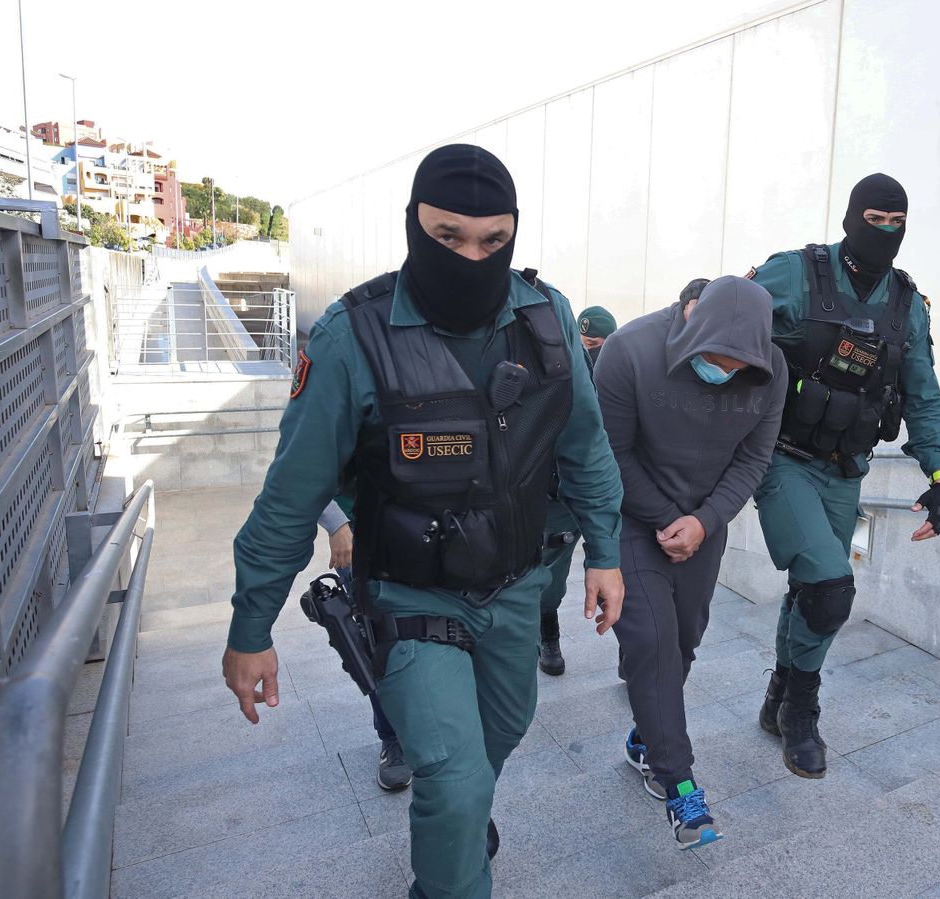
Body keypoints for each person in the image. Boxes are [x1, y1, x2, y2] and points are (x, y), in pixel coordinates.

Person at [221, 144, 626, 899]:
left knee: (499, 735)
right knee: (455, 772)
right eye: (448, 238)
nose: (472, 257)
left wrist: (606, 549)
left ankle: (460, 827)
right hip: (409, 595)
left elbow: (586, 442)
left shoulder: (548, 319)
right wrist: (251, 627)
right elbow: (290, 496)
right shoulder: (353, 336)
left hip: (512, 585)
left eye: (492, 242)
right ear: (413, 225)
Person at [746, 173, 940, 779]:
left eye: (898, 221)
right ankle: (801, 713)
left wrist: (939, 474)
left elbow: (923, 394)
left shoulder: (907, 306)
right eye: (875, 219)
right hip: (782, 456)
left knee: (812, 589)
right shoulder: (795, 272)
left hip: (845, 471)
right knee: (832, 585)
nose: (886, 231)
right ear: (850, 218)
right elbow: (729, 326)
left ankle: (779, 693)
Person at [596, 275, 786, 848]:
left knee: (683, 642)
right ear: (689, 315)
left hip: (705, 525)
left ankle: (645, 739)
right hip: (633, 517)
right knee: (651, 640)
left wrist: (705, 521)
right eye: (713, 359)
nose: (723, 371)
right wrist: (662, 518)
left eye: (736, 365)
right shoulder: (628, 351)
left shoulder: (771, 372)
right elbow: (610, 452)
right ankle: (681, 787)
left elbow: (755, 459)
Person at [536, 305, 618, 676]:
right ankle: (543, 633)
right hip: (543, 492)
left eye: (596, 344)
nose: (589, 351)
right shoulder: (560, 369)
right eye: (583, 343)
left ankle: (547, 628)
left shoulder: (621, 378)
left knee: (555, 578)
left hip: (586, 495)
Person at [318, 498, 411, 790]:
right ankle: (393, 740)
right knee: (376, 640)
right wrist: (337, 525)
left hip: (430, 528)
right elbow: (304, 471)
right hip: (362, 534)